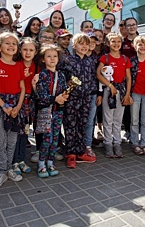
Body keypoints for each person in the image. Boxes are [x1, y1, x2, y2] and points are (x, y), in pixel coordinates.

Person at [0, 32, 25, 189]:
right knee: (1, 140)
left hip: (15, 109)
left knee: (12, 140)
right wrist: (4, 106)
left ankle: (9, 169)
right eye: (7, 43)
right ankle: (2, 171)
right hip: (0, 107)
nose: (11, 46)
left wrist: (18, 107)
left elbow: (22, 89)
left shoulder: (19, 66)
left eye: (14, 44)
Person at [60, 33, 97, 167]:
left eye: (87, 44)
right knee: (70, 125)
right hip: (71, 99)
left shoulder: (90, 61)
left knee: (83, 124)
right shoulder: (67, 60)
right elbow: (62, 78)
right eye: (81, 44)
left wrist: (94, 93)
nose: (84, 47)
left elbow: (93, 78)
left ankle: (80, 151)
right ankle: (70, 154)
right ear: (74, 45)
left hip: (86, 98)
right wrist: (64, 92)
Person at [33, 44, 68, 178]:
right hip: (46, 111)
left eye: (55, 56)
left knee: (55, 139)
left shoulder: (62, 75)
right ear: (43, 59)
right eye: (49, 56)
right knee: (47, 139)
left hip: (58, 112)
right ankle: (41, 163)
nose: (52, 59)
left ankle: (50, 162)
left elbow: (65, 90)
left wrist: (65, 96)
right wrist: (55, 99)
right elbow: (41, 96)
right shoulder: (41, 75)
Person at [96, 32, 133, 158]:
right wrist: (110, 86)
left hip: (121, 91)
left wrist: (127, 94)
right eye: (113, 41)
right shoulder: (105, 58)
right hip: (109, 91)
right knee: (108, 119)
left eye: (118, 41)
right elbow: (98, 74)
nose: (116, 44)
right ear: (108, 43)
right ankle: (108, 143)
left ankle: (117, 143)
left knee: (118, 119)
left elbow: (128, 77)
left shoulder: (124, 59)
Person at [12, 37, 38, 175]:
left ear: (35, 52)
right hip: (18, 102)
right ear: (20, 50)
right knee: (15, 133)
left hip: (30, 103)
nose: (28, 53)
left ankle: (21, 160)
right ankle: (14, 161)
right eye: (25, 50)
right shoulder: (16, 64)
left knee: (25, 132)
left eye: (31, 50)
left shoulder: (37, 66)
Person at [130, 36, 145, 156]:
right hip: (135, 93)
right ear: (135, 46)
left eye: (144, 45)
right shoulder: (132, 61)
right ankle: (134, 142)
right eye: (140, 44)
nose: (142, 47)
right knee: (134, 120)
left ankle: (144, 143)